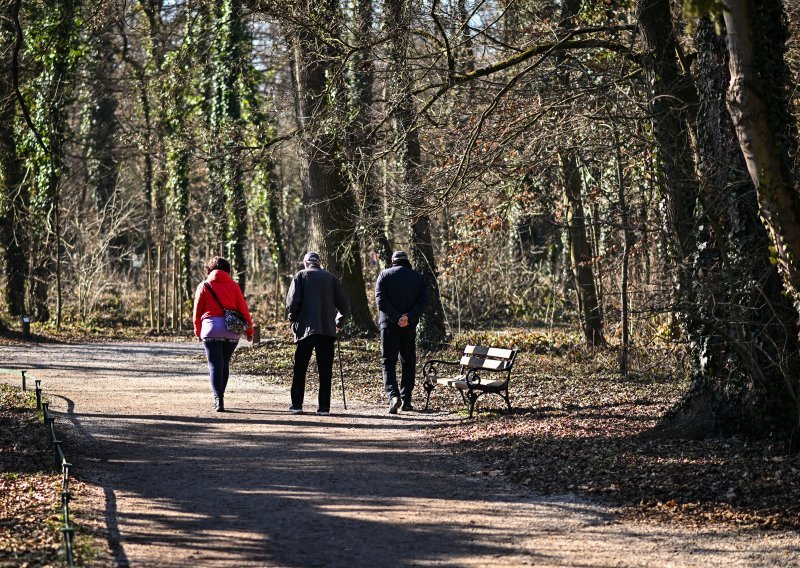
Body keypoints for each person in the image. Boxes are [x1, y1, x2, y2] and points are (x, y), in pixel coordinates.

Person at [285, 252, 350, 415]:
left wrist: (292, 319)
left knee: (300, 368)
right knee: (325, 370)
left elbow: (292, 302)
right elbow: (345, 307)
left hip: (305, 331)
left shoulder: (300, 276)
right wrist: (338, 323)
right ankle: (324, 408)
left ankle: (297, 405)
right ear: (319, 263)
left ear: (306, 263)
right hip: (327, 331)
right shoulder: (331, 278)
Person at [193, 256, 254, 412]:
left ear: (209, 269)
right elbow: (243, 310)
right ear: (227, 270)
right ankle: (221, 395)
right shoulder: (234, 286)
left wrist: (198, 331)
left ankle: (218, 399)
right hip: (231, 330)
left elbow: (197, 312)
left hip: (211, 329)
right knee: (224, 364)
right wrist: (249, 331)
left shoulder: (204, 285)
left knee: (215, 365)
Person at [375, 250, 428, 413]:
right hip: (409, 326)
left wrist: (396, 317)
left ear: (393, 261)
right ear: (407, 261)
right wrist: (408, 317)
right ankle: (406, 399)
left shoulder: (384, 275)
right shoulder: (418, 278)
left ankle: (393, 396)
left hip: (389, 325)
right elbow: (423, 302)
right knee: (408, 362)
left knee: (388, 362)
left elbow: (380, 300)